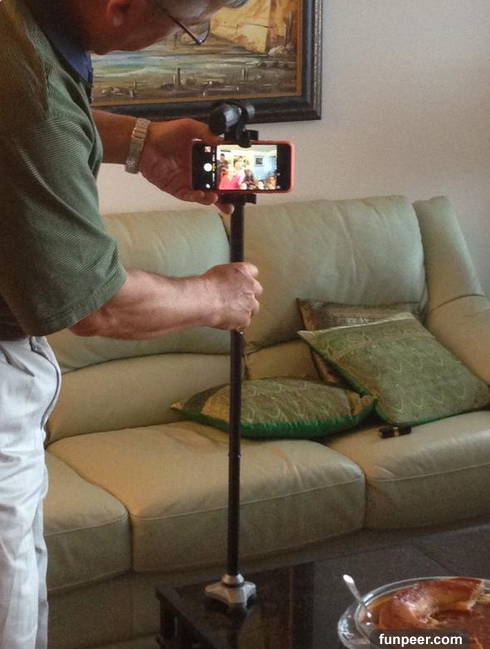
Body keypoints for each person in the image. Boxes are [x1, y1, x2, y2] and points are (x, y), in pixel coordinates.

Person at [0, 0, 261, 648]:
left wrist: (142, 141)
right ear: (120, 7)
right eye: (187, 26)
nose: (180, 38)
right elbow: (97, 305)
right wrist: (214, 297)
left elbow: (35, 119)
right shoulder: (30, 81)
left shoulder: (23, 30)